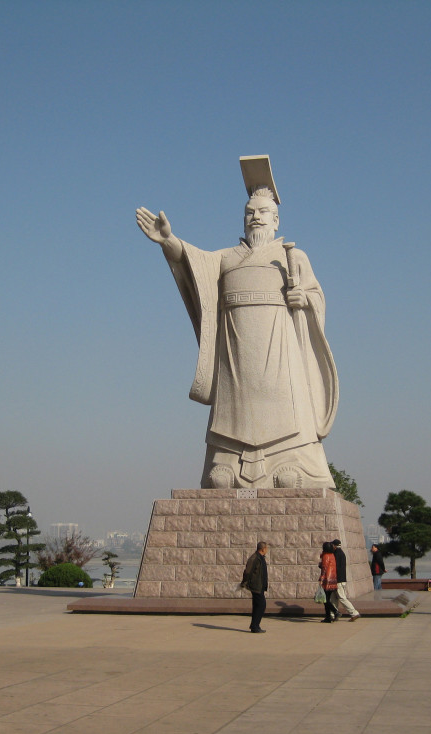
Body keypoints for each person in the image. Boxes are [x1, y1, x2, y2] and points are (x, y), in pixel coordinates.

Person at [136, 158, 339, 490]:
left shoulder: (292, 257)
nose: (255, 217)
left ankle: (290, 461)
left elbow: (316, 296)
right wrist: (168, 241)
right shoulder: (226, 257)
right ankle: (229, 464)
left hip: (279, 345)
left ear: (276, 220)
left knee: (286, 402)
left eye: (262, 212)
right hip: (236, 347)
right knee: (234, 408)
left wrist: (305, 301)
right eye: (250, 212)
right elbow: (193, 262)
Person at [240, 541, 269, 633]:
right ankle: (255, 626)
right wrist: (244, 582)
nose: (267, 550)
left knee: (257, 605)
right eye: (266, 548)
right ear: (263, 549)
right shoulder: (254, 558)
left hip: (259, 586)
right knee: (261, 604)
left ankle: (254, 625)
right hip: (256, 586)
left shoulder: (260, 558)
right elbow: (248, 571)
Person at [330, 539, 360, 621]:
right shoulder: (341, 553)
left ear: (334, 546)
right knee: (333, 598)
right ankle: (333, 614)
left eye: (332, 545)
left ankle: (354, 613)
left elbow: (335, 568)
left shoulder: (336, 554)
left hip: (338, 580)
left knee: (342, 598)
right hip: (341, 579)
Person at [319, 542, 340, 622]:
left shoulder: (325, 556)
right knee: (327, 599)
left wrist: (321, 579)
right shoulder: (332, 555)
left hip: (327, 580)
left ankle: (335, 612)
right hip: (333, 580)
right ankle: (328, 617)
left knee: (326, 600)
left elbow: (324, 569)